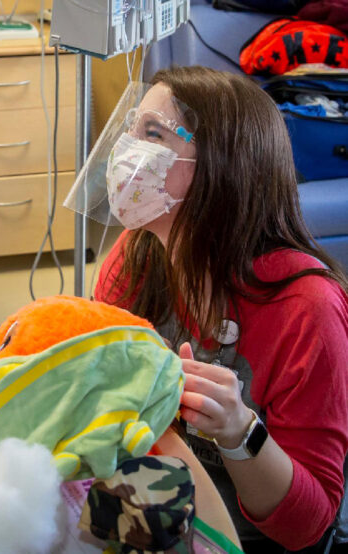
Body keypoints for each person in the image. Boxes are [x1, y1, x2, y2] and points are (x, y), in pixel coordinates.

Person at [92, 66, 348, 552]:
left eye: (152, 134)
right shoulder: (135, 256)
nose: (127, 151)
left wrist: (239, 433)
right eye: (131, 129)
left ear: (220, 165)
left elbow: (308, 527)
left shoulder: (307, 309)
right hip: (156, 513)